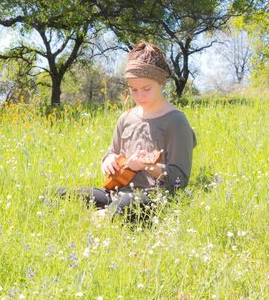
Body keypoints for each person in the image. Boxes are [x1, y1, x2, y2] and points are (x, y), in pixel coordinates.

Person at [58, 41, 197, 219]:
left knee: (126, 205)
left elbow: (180, 179)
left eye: (147, 88)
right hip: (117, 192)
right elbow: (112, 152)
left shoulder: (176, 121)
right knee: (57, 195)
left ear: (161, 83)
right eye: (133, 89)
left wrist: (148, 166)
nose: (139, 96)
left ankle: (105, 216)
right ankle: (106, 214)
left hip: (154, 198)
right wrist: (107, 160)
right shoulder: (126, 118)